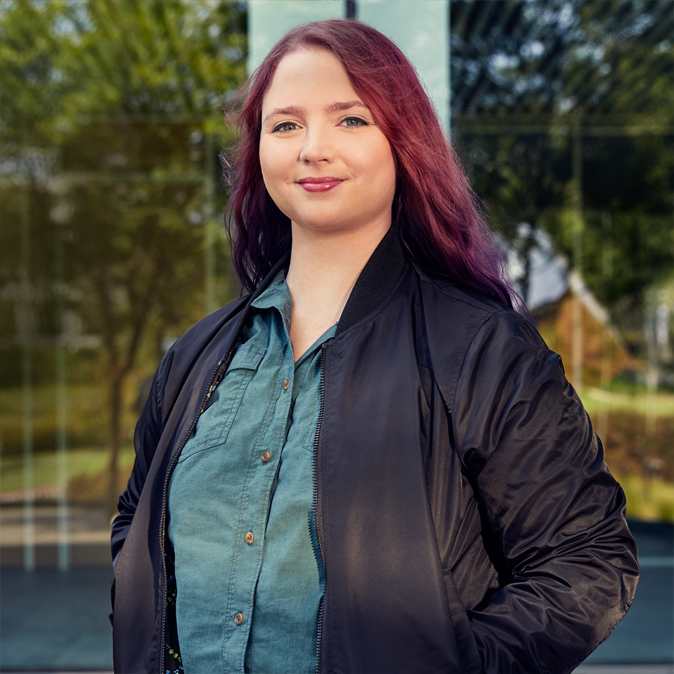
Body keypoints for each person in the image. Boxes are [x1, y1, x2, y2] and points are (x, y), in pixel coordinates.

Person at [110, 19, 639, 674]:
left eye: (350, 120)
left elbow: (586, 562)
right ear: (259, 154)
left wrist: (450, 665)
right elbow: (135, 526)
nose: (313, 149)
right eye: (285, 125)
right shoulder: (194, 357)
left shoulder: (481, 351)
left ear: (403, 142)